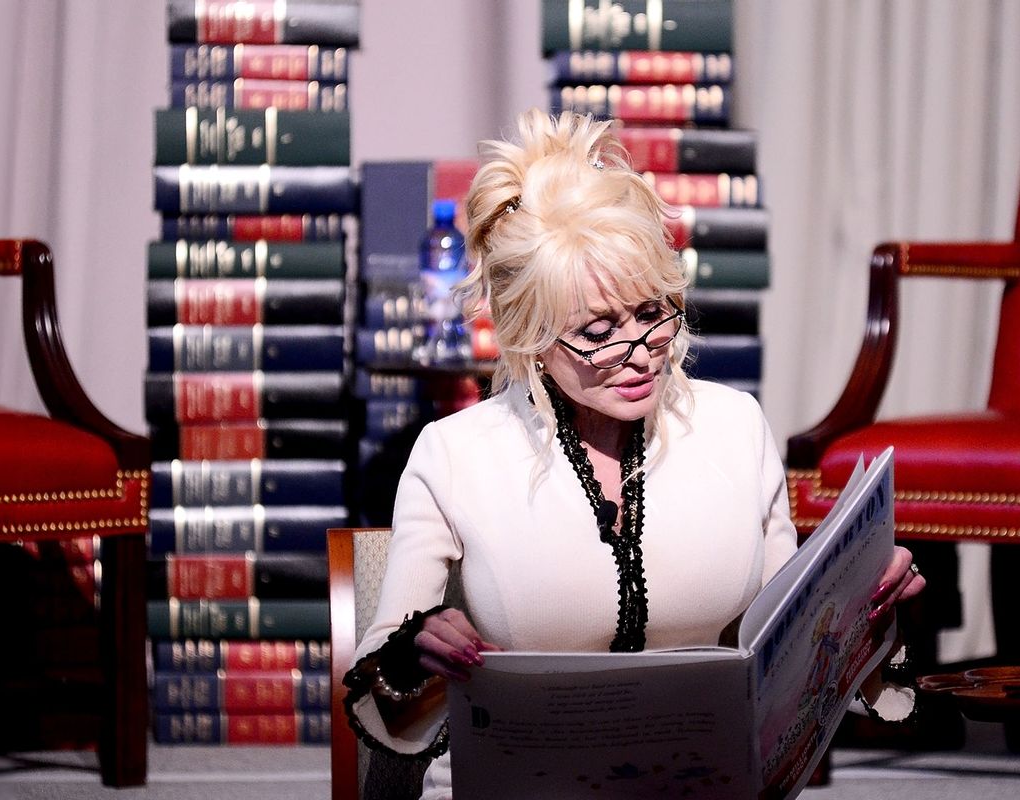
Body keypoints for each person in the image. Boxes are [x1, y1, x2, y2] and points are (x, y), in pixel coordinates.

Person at [343, 108, 926, 799]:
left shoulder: (735, 427)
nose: (639, 354)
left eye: (652, 314)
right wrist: (419, 647)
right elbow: (378, 684)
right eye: (598, 330)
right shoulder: (456, 454)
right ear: (527, 335)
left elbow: (793, 649)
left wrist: (861, 611)